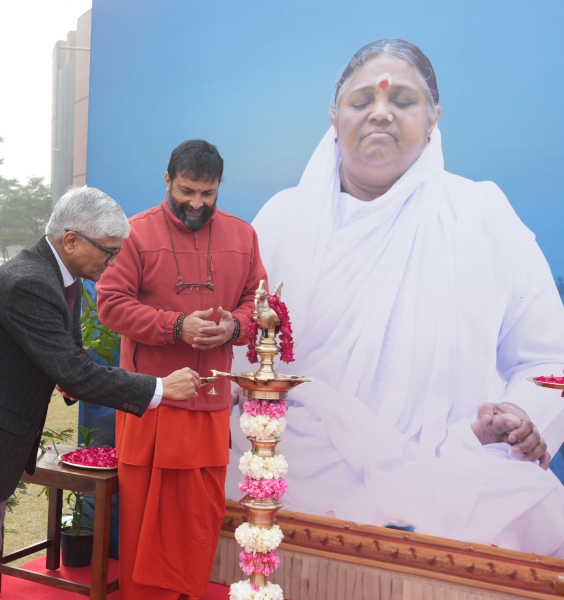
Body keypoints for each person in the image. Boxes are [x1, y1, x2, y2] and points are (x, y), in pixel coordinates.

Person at [228, 39, 564, 556]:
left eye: (403, 101)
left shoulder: (481, 214)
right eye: (361, 101)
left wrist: (522, 416)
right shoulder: (283, 219)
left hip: (453, 458)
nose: (380, 113)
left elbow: (549, 358)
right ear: (334, 116)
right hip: (301, 453)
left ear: (434, 118)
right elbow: (237, 350)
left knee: (531, 505)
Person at [0, 186, 200, 600]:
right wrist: (160, 387)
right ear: (71, 240)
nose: (113, 262)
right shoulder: (30, 282)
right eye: (108, 251)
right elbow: (74, 371)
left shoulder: (55, 273)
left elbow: (62, 356)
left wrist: (64, 373)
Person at [96, 140, 267, 599]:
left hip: (209, 406)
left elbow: (259, 303)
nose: (197, 203)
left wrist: (234, 326)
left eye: (208, 194)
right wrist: (175, 328)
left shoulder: (243, 236)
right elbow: (110, 306)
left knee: (197, 520)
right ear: (168, 180)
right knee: (146, 524)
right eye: (188, 191)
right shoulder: (133, 233)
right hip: (151, 402)